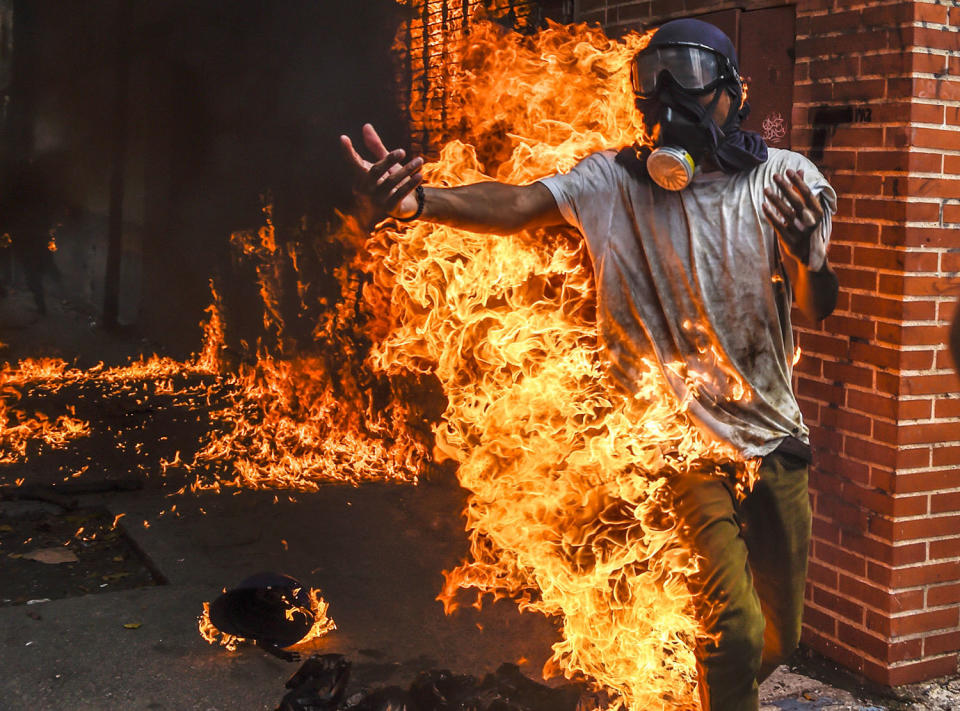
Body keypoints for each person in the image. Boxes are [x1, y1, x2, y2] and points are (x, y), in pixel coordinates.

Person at [341, 18, 838, 711]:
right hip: (682, 445)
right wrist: (419, 201)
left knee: (778, 641)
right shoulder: (611, 182)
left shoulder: (783, 182)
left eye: (688, 76)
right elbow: (514, 203)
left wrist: (811, 257)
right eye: (652, 82)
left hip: (776, 442)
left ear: (731, 93)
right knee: (734, 624)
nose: (668, 100)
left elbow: (818, 305)